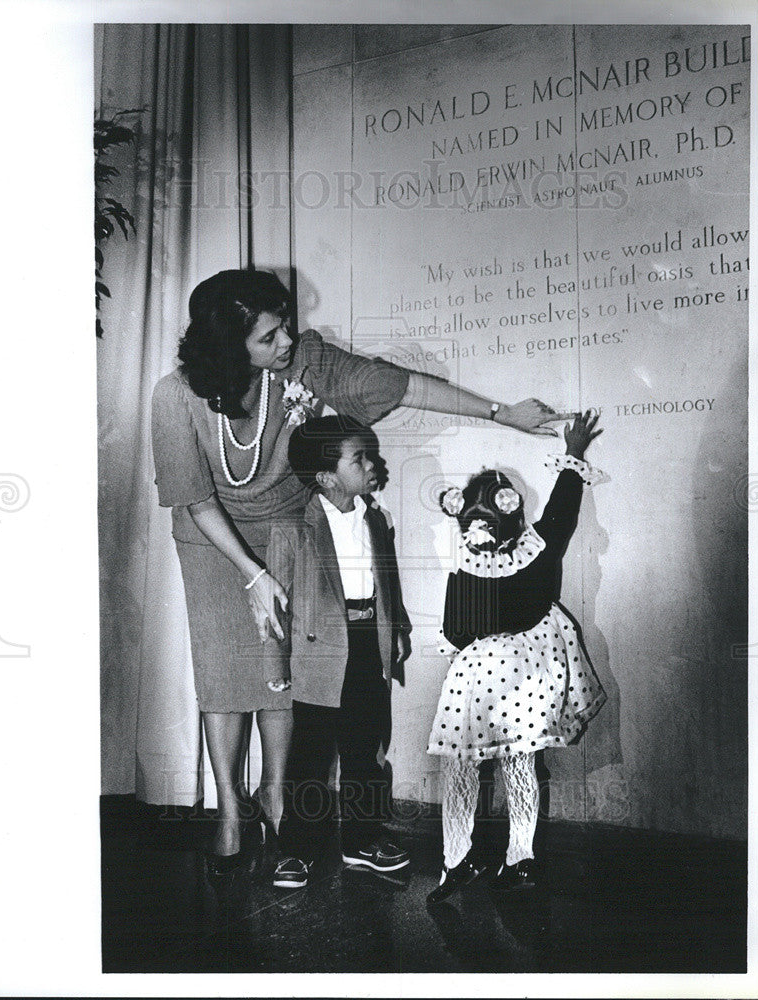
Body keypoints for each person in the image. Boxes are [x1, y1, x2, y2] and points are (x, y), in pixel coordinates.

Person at [150, 267, 568, 873]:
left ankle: (276, 797)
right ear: (226, 347)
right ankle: (231, 815)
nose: (287, 342)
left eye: (285, 327)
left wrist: (503, 414)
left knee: (293, 679)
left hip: (293, 533)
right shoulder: (174, 394)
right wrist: (250, 572)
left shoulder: (304, 363)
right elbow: (194, 496)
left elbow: (396, 387)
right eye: (269, 338)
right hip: (211, 540)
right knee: (223, 674)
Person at [425, 411, 607, 903]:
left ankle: (457, 860)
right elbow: (563, 508)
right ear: (514, 513)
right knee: (518, 763)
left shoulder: (468, 563)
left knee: (463, 767)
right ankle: (517, 858)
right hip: (526, 670)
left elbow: (456, 629)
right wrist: (573, 456)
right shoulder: (537, 546)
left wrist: (472, 636)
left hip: (482, 675)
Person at [261, 415, 411, 889]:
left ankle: (362, 841)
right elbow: (272, 603)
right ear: (327, 476)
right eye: (359, 457)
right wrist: (275, 661)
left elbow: (387, 581)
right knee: (311, 753)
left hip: (369, 644)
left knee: (365, 748)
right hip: (320, 652)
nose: (371, 464)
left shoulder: (376, 519)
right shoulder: (292, 528)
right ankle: (297, 849)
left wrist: (397, 629)